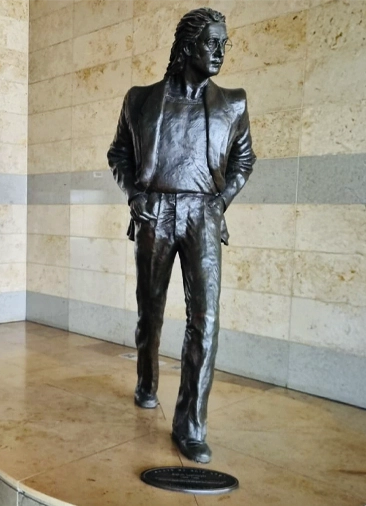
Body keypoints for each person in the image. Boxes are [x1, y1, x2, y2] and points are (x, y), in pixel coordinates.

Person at [107, 7, 255, 464]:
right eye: (212, 42)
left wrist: (219, 200)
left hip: (203, 215)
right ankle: (147, 381)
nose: (220, 52)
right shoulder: (140, 100)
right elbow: (119, 154)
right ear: (188, 45)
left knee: (204, 320)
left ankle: (190, 425)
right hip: (154, 211)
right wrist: (135, 195)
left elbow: (244, 161)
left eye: (224, 44)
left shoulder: (233, 103)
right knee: (150, 312)